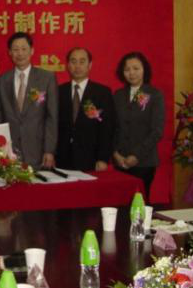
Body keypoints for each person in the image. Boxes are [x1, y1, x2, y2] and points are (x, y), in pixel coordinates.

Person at [0, 32, 58, 169]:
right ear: (10, 52)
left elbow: (52, 117)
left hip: (38, 151)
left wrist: (49, 150)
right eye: (15, 49)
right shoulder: (1, 81)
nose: (20, 53)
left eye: (24, 49)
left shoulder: (47, 78)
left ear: (32, 50)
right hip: (8, 153)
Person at [113, 52, 165, 197]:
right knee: (120, 201)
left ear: (144, 70)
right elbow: (112, 127)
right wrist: (115, 153)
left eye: (136, 68)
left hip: (143, 162)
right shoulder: (118, 95)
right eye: (127, 69)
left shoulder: (154, 94)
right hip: (120, 161)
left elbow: (157, 131)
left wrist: (136, 155)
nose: (131, 73)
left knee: (140, 202)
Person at [56, 48, 115, 172]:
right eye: (73, 61)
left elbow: (107, 128)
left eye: (82, 62)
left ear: (90, 65)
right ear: (68, 65)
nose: (77, 66)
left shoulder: (102, 93)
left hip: (91, 159)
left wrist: (103, 158)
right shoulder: (58, 91)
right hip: (62, 158)